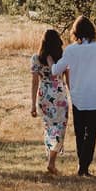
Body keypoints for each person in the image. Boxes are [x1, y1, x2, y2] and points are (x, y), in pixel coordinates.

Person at [50, 15, 96, 177]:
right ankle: (85, 165)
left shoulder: (71, 50)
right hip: (95, 95)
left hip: (78, 95)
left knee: (80, 132)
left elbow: (56, 71)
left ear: (75, 32)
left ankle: (82, 164)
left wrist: (51, 61)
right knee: (91, 132)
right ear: (92, 31)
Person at [30, 28, 70, 175]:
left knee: (49, 128)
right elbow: (69, 80)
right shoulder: (63, 58)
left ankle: (51, 160)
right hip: (59, 95)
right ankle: (51, 162)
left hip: (44, 96)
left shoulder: (36, 58)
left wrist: (33, 104)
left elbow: (34, 82)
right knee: (60, 128)